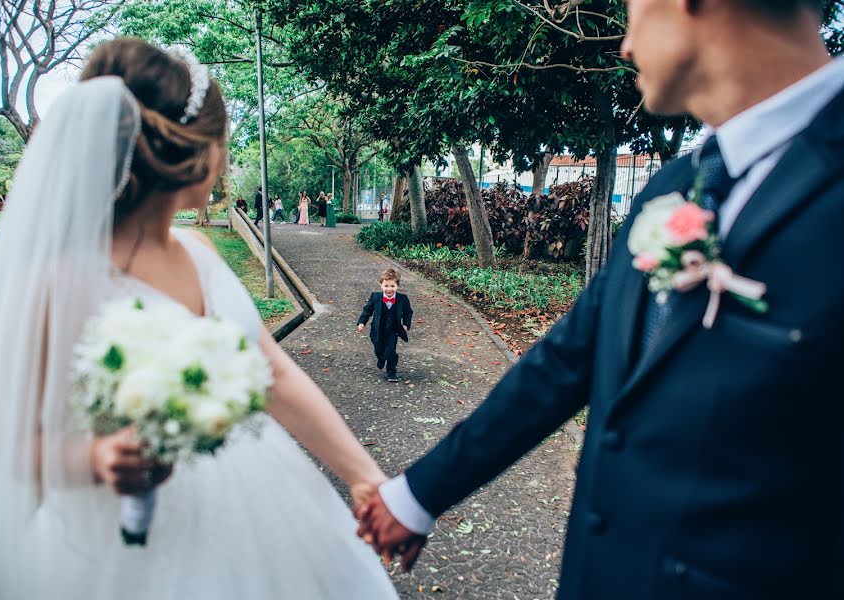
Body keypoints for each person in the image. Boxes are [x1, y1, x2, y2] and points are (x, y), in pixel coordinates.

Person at [356, 1, 844, 597]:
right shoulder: (675, 184)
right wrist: (419, 493)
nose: (626, 45)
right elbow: (568, 359)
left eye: (636, 9)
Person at [0, 38, 398, 600]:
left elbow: (273, 373)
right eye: (223, 144)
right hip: (113, 551)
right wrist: (96, 456)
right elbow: (13, 447)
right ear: (193, 152)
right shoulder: (58, 282)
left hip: (251, 509)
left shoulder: (200, 255)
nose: (225, 159)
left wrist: (363, 476)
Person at [357, 269, 413, 382]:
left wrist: (406, 325)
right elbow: (367, 310)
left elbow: (408, 312)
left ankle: (391, 373)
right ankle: (381, 358)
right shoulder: (375, 297)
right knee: (379, 349)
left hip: (393, 330)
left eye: (392, 286)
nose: (389, 289)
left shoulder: (402, 299)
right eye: (386, 286)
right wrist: (362, 322)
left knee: (390, 350)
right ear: (381, 285)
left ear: (397, 286)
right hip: (377, 330)